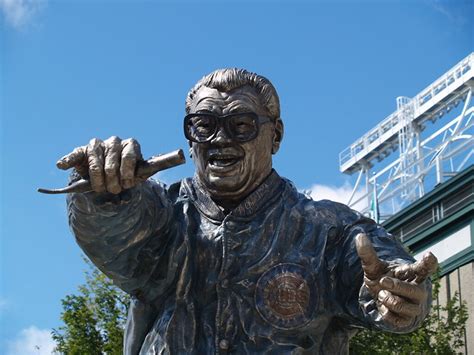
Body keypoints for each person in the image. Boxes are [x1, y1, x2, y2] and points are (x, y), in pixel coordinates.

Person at [59, 68, 437, 354]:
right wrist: (103, 190)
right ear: (189, 140)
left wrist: (397, 297)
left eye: (240, 125)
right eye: (204, 125)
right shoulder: (165, 216)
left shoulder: (329, 230)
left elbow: (387, 279)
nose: (220, 138)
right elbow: (116, 232)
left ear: (275, 136)